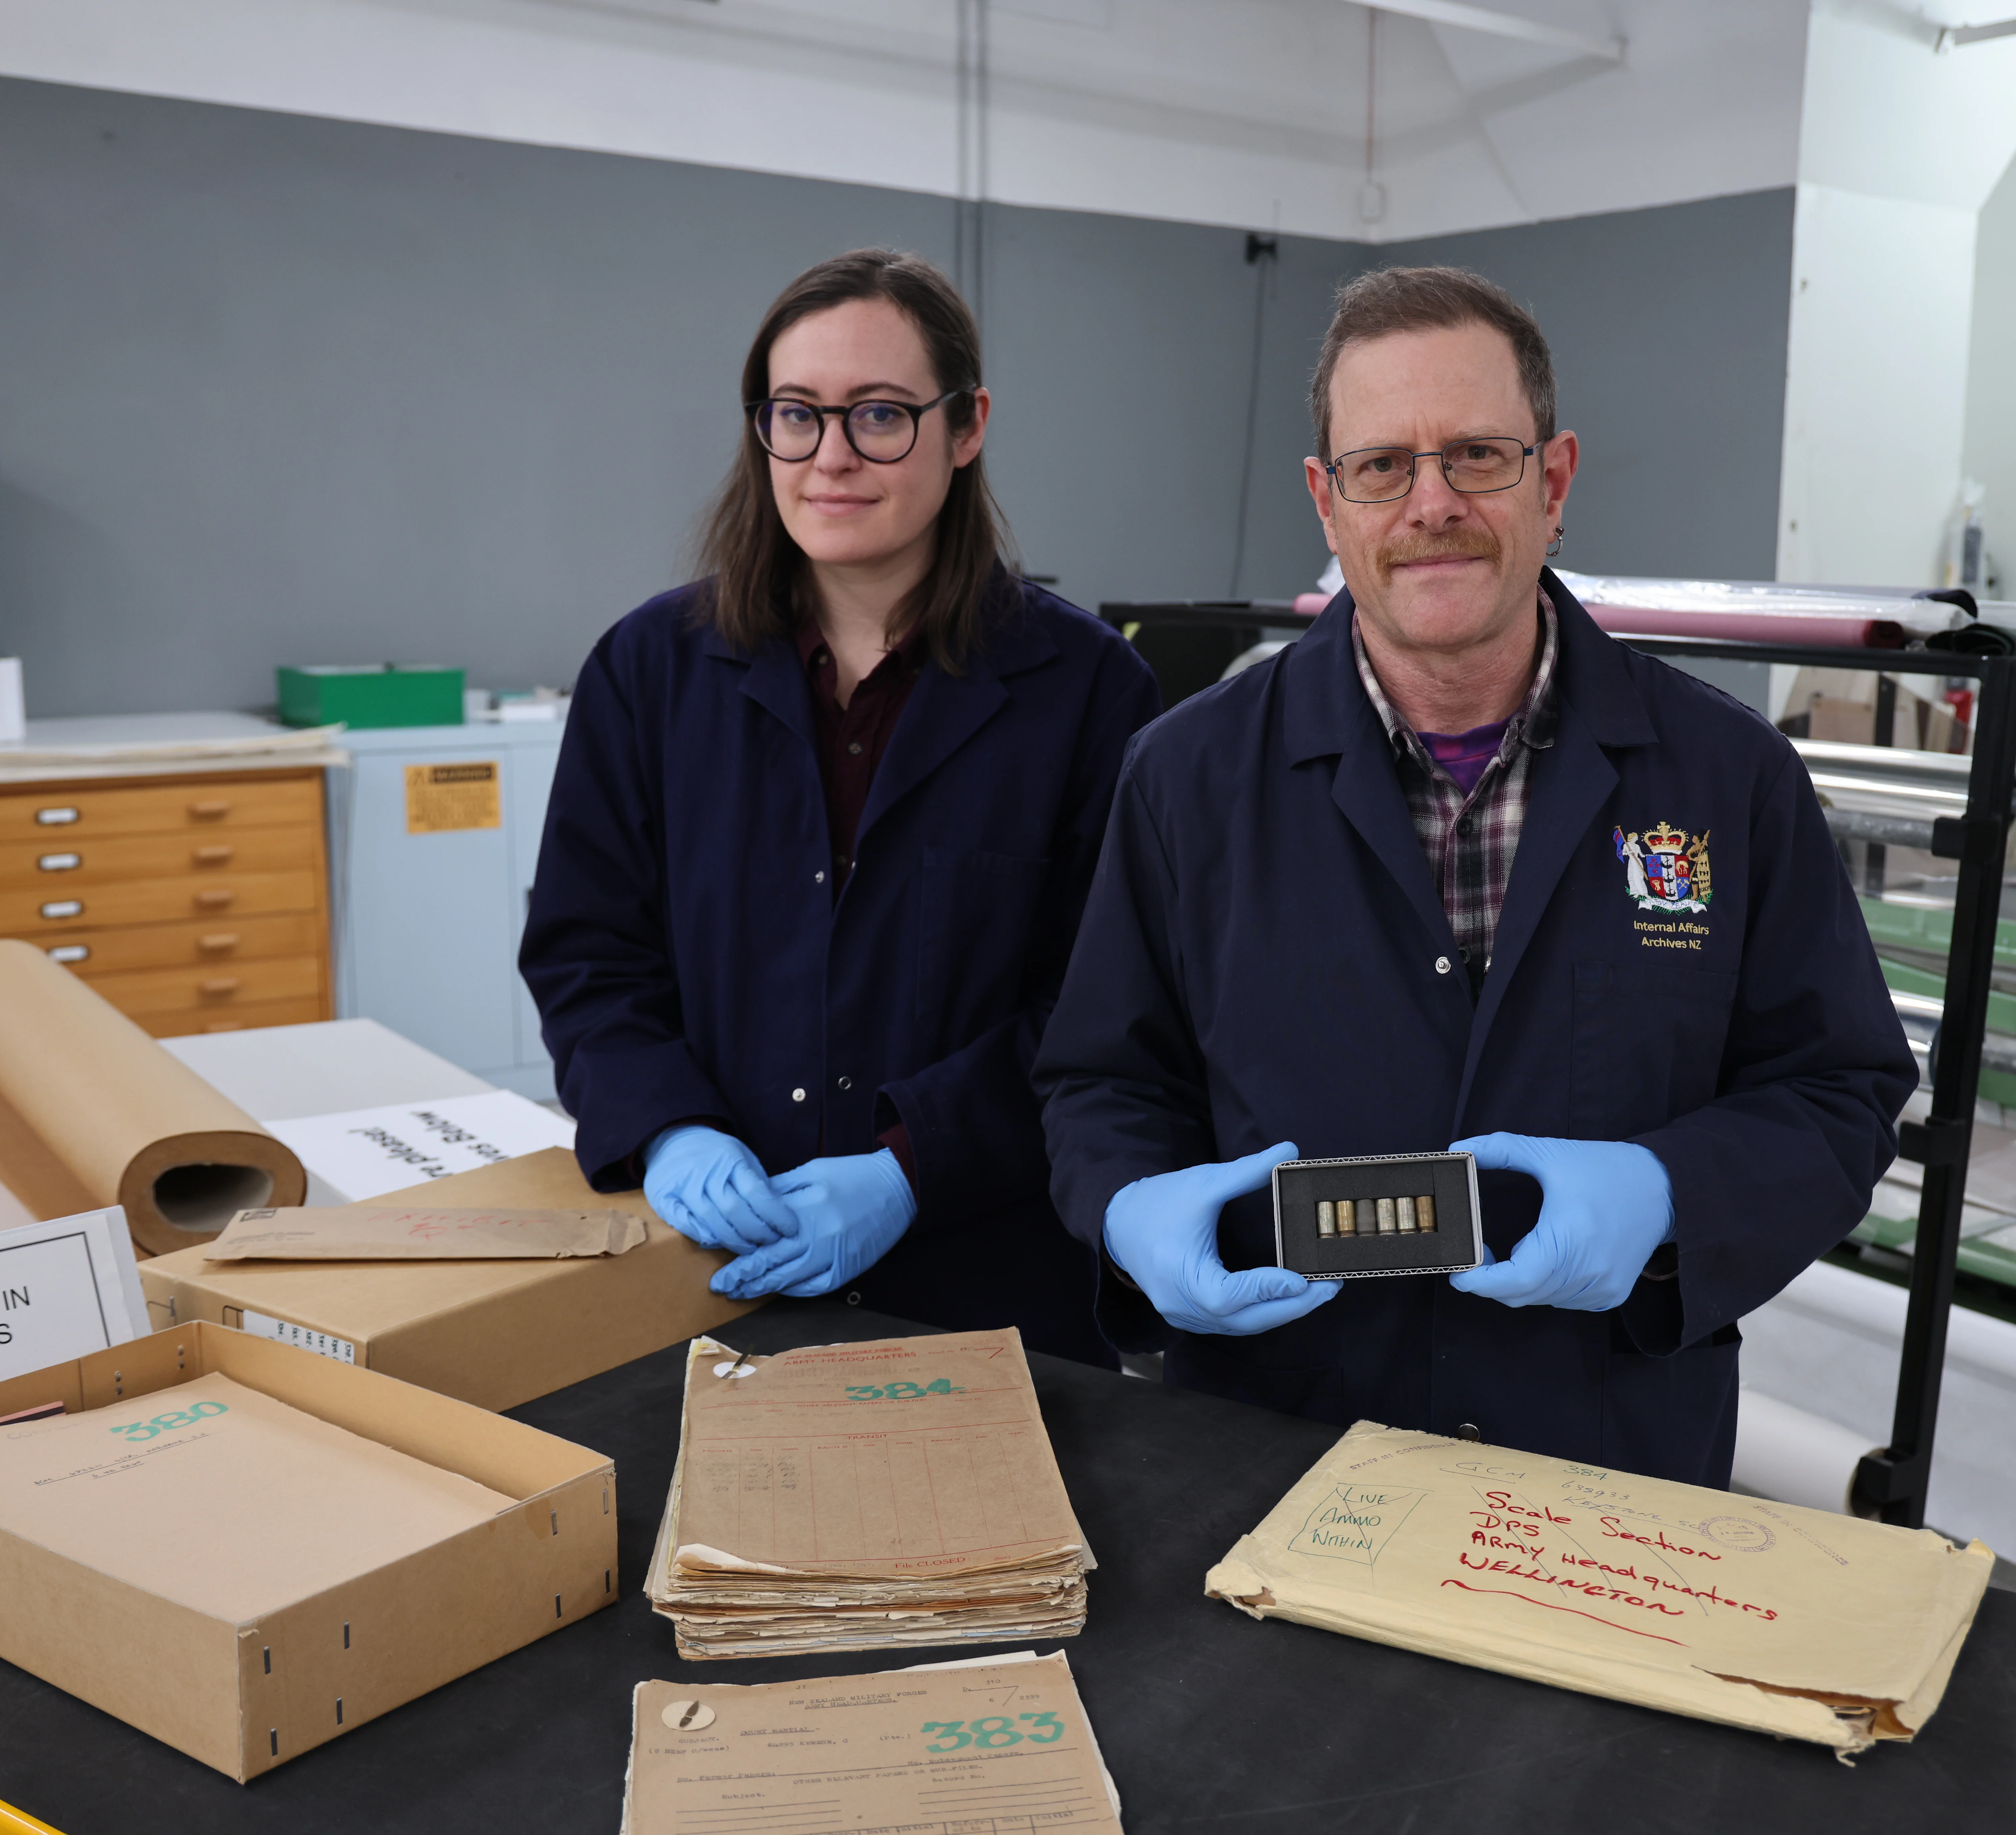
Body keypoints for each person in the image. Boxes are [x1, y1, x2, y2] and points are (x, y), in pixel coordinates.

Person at [1033, 266, 1916, 1476]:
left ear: (1553, 484)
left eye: (1478, 457)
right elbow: (1101, 1084)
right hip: (1276, 1453)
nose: (1431, 501)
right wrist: (1130, 1209)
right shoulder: (1184, 780)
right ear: (1326, 502)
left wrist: (1668, 1192)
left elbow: (1838, 1087)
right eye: (1382, 465)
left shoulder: (1728, 778)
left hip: (1607, 1461)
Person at [523, 248, 1162, 1367]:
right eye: (796, 415)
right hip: (712, 1281)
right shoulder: (649, 671)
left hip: (989, 1291)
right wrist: (668, 1126)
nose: (831, 457)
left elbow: (1105, 1006)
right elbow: (589, 955)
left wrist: (915, 1167)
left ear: (967, 427)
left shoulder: (1088, 691)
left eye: (879, 415)